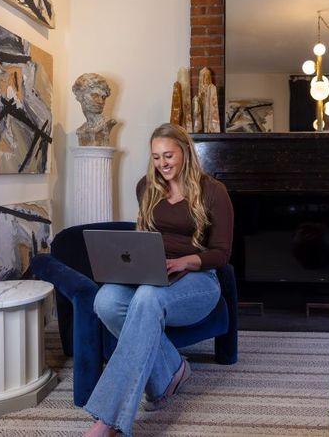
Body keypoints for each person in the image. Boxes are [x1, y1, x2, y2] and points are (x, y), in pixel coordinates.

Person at [84, 123, 234, 436]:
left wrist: (183, 261)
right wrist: (135, 264)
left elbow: (221, 254)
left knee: (146, 299)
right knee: (106, 300)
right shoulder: (146, 186)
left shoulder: (213, 191)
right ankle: (174, 369)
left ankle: (107, 421)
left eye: (168, 155)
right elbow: (144, 239)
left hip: (198, 279)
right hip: (153, 274)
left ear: (186, 153)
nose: (162, 164)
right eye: (155, 157)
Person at [72, 73, 117, 146]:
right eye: (94, 95)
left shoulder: (107, 123)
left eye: (103, 97)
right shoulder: (81, 130)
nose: (101, 101)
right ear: (80, 95)